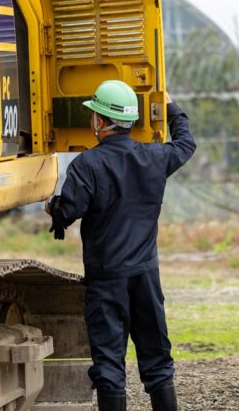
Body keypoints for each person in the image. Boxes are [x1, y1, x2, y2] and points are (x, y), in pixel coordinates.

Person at [44, 80, 196, 411]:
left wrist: (52, 207)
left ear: (99, 121)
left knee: (110, 366)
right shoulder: (155, 156)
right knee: (157, 359)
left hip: (106, 280)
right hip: (146, 278)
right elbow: (186, 143)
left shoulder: (87, 164)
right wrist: (170, 106)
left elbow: (68, 211)